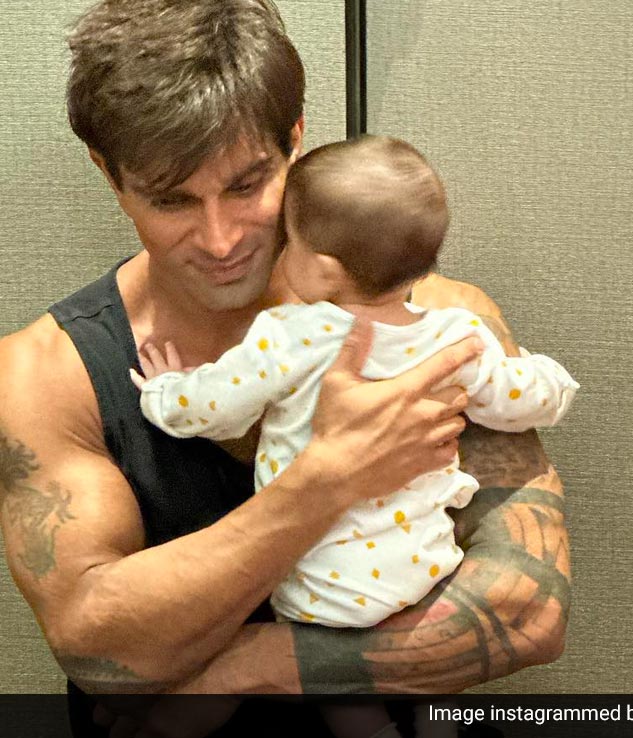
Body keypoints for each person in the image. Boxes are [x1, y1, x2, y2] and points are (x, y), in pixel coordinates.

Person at [0, 1, 570, 735]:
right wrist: (327, 479)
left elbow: (527, 612)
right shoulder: (43, 375)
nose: (220, 239)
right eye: (172, 200)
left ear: (295, 139)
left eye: (247, 185)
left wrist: (241, 668)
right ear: (108, 173)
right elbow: (100, 652)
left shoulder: (444, 325)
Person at [133, 135, 579, 738]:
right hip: (424, 572)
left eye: (290, 242)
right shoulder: (455, 335)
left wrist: (163, 391)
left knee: (348, 703)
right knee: (431, 697)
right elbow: (520, 401)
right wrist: (553, 378)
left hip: (326, 593)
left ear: (323, 269)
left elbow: (216, 408)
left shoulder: (293, 334)